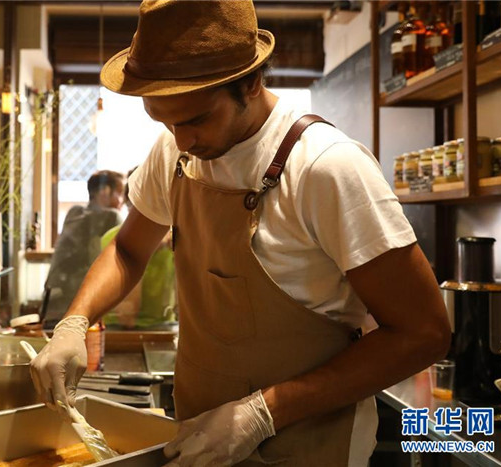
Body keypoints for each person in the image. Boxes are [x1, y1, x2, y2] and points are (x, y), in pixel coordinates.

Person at [30, 2, 451, 466]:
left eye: (196, 119)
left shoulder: (327, 168)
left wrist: (261, 414)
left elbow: (424, 333)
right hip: (197, 439)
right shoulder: (174, 152)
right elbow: (129, 250)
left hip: (309, 450)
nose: (182, 140)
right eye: (164, 121)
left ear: (250, 82)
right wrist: (74, 322)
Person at [41, 170, 126, 329]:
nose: (122, 201)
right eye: (120, 193)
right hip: (82, 309)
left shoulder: (73, 213)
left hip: (51, 306)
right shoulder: (112, 217)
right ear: (104, 191)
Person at [100, 168, 176, 329]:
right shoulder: (113, 239)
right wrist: (145, 247)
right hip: (117, 328)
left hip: (164, 326)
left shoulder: (174, 239)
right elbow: (126, 316)